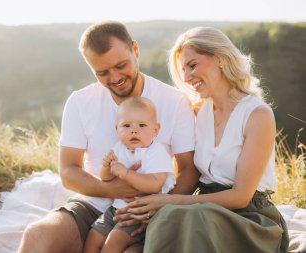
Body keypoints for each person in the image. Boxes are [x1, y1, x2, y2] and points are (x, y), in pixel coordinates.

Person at [17, 21, 198, 253]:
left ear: (135, 50)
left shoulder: (174, 100)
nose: (114, 78)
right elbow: (69, 172)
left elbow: (188, 169)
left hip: (151, 209)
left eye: (121, 65)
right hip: (93, 202)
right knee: (38, 235)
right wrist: (113, 190)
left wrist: (159, 207)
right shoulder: (80, 102)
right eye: (102, 73)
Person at [118, 26, 289, 253]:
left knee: (182, 215)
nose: (187, 78)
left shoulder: (257, 114)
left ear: (219, 58)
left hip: (250, 218)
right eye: (183, 70)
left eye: (192, 65)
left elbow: (241, 196)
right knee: (166, 218)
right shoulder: (198, 111)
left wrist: (171, 202)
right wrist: (151, 200)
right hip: (201, 209)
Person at [83, 97, 176, 253]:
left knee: (112, 244)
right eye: (126, 125)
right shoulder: (119, 148)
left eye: (142, 125)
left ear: (155, 129)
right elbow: (106, 179)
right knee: (93, 238)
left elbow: (155, 184)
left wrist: (126, 173)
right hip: (115, 209)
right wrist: (107, 167)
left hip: (139, 212)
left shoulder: (156, 153)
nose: (134, 130)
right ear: (117, 129)